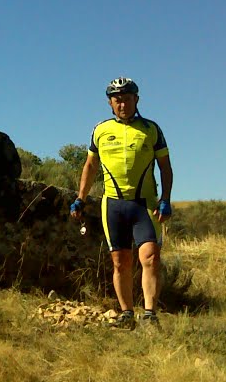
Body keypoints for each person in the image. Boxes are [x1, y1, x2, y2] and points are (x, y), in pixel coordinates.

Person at [70, 78, 173, 329]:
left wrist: (165, 200)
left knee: (150, 257)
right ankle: (127, 314)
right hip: (113, 205)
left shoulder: (151, 129)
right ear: (110, 103)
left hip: (144, 204)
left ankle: (149, 314)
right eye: (117, 100)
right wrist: (80, 198)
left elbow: (165, 167)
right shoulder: (101, 130)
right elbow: (91, 166)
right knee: (120, 261)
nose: (122, 104)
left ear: (136, 100)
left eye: (127, 99)